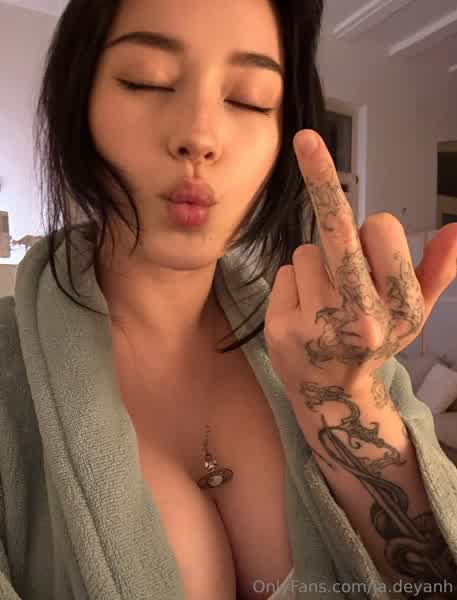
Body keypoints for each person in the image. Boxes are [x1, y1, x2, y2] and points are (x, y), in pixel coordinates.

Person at [1, 0, 456, 599]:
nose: (199, 136)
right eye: (146, 80)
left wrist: (346, 403)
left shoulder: (345, 345)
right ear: (77, 101)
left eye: (248, 100)